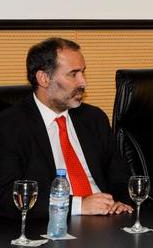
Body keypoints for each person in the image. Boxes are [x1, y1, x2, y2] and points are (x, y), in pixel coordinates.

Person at [0, 38, 132, 219]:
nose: (83, 82)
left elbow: (120, 176)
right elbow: (7, 196)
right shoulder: (10, 125)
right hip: (51, 225)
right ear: (44, 78)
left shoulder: (94, 118)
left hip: (107, 221)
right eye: (73, 74)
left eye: (83, 73)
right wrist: (78, 205)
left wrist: (120, 202)